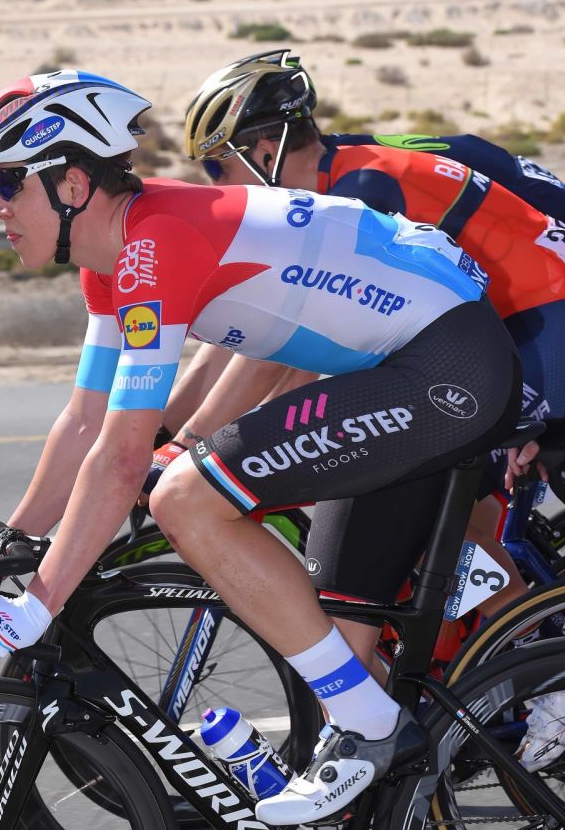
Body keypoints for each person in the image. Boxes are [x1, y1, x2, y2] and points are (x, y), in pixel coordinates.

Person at [0, 67, 521, 830]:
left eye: (9, 182)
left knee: (185, 495)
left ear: (71, 183)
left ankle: (376, 720)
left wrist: (39, 599)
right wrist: (13, 545)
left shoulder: (154, 245)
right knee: (335, 638)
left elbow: (124, 459)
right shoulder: (114, 261)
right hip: (399, 370)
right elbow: (84, 425)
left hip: (447, 368)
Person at [173, 48, 565, 656]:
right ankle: (491, 639)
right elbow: (250, 334)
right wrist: (170, 427)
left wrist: (190, 444)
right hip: (502, 324)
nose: (214, 187)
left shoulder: (360, 190)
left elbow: (290, 351)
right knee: (430, 486)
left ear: (263, 152)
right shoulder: (334, 177)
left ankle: (529, 650)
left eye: (217, 168)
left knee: (424, 486)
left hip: (541, 323)